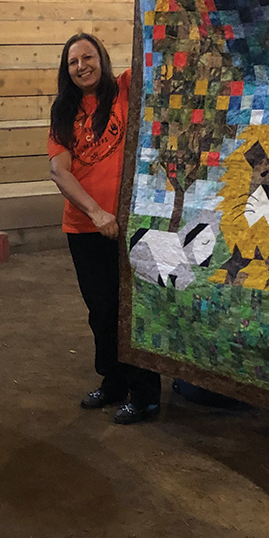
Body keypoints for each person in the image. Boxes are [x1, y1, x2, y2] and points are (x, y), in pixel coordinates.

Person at [48, 32, 162, 424]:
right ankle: (113, 382)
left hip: (132, 226)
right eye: (73, 62)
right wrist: (97, 213)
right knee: (101, 310)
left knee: (134, 309)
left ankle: (144, 394)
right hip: (85, 227)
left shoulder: (125, 90)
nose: (82, 66)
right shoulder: (64, 111)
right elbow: (59, 171)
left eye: (88, 57)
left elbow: (155, 53)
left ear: (102, 58)